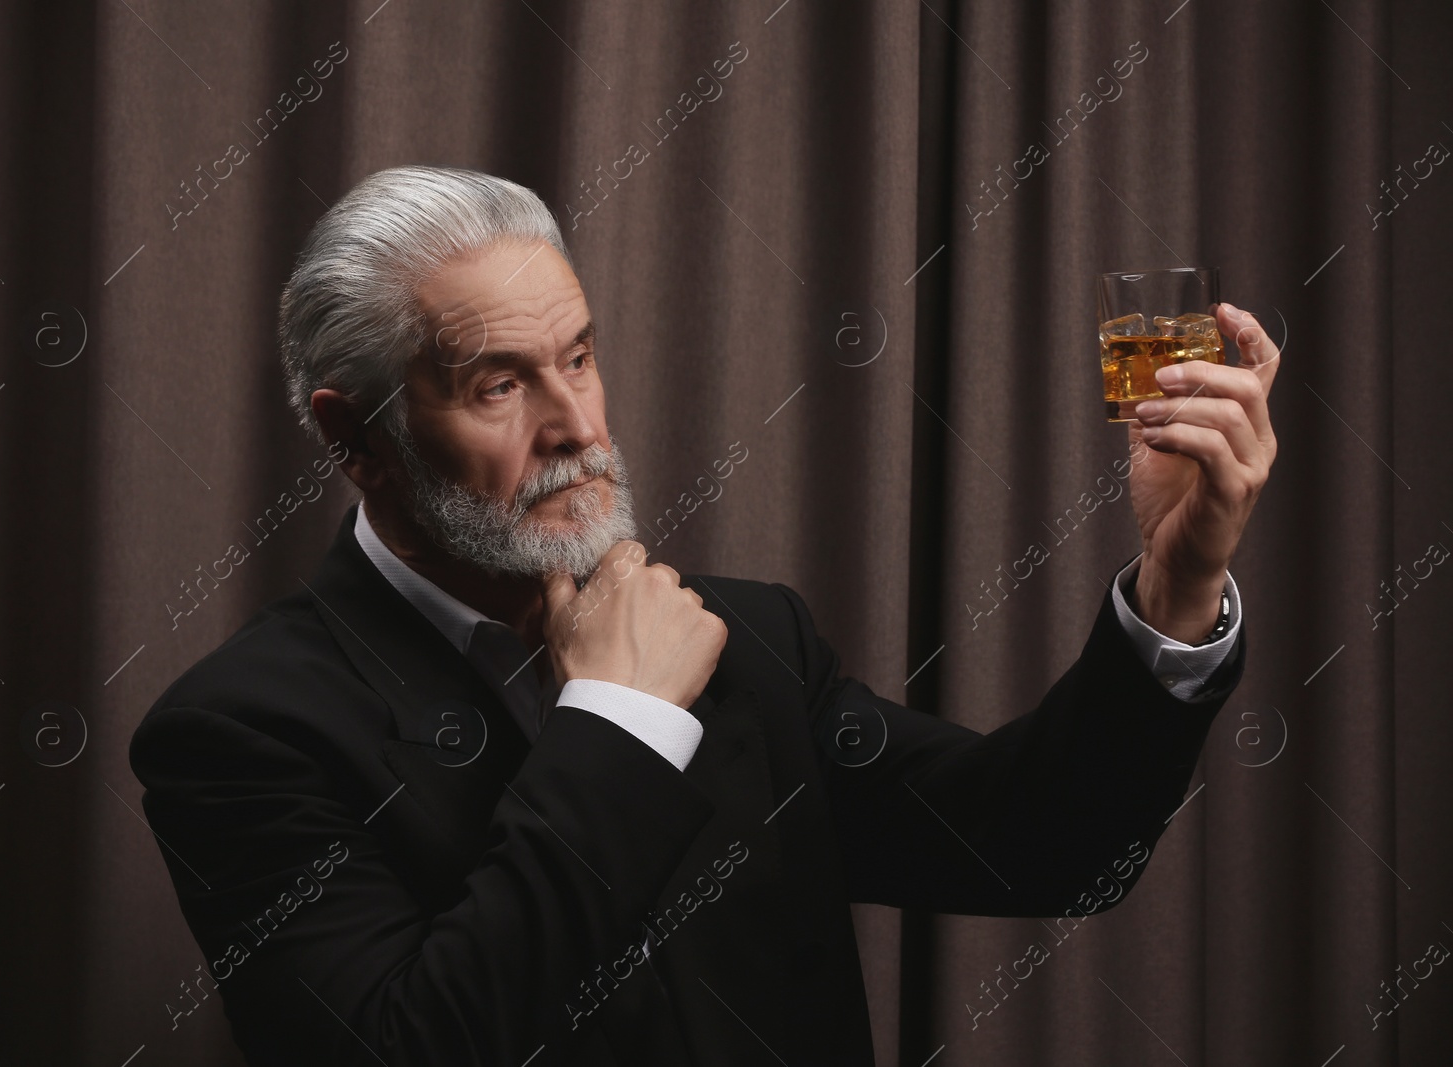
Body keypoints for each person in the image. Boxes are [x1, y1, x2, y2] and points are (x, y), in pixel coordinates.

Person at [129, 165, 1279, 1066]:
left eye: (578, 355)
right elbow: (408, 1048)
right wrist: (619, 720)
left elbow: (1050, 847)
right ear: (352, 436)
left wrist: (1175, 583)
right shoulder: (241, 732)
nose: (575, 422)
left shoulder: (752, 640)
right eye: (496, 383)